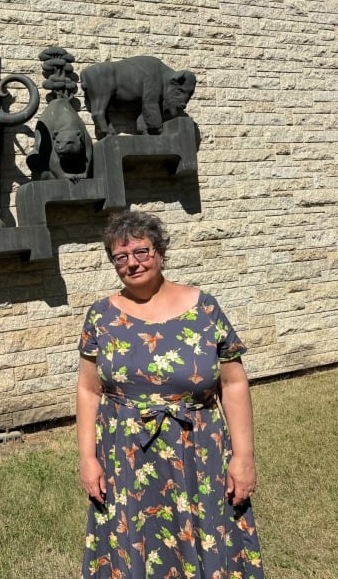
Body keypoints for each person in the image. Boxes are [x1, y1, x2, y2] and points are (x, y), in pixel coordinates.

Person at [76, 210, 263, 579]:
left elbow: (233, 383)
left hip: (199, 454)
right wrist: (87, 458)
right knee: (132, 543)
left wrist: (244, 457)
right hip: (125, 458)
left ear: (160, 251)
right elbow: (88, 389)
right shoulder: (101, 316)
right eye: (121, 256)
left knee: (207, 538)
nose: (133, 263)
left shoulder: (204, 308)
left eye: (142, 251)